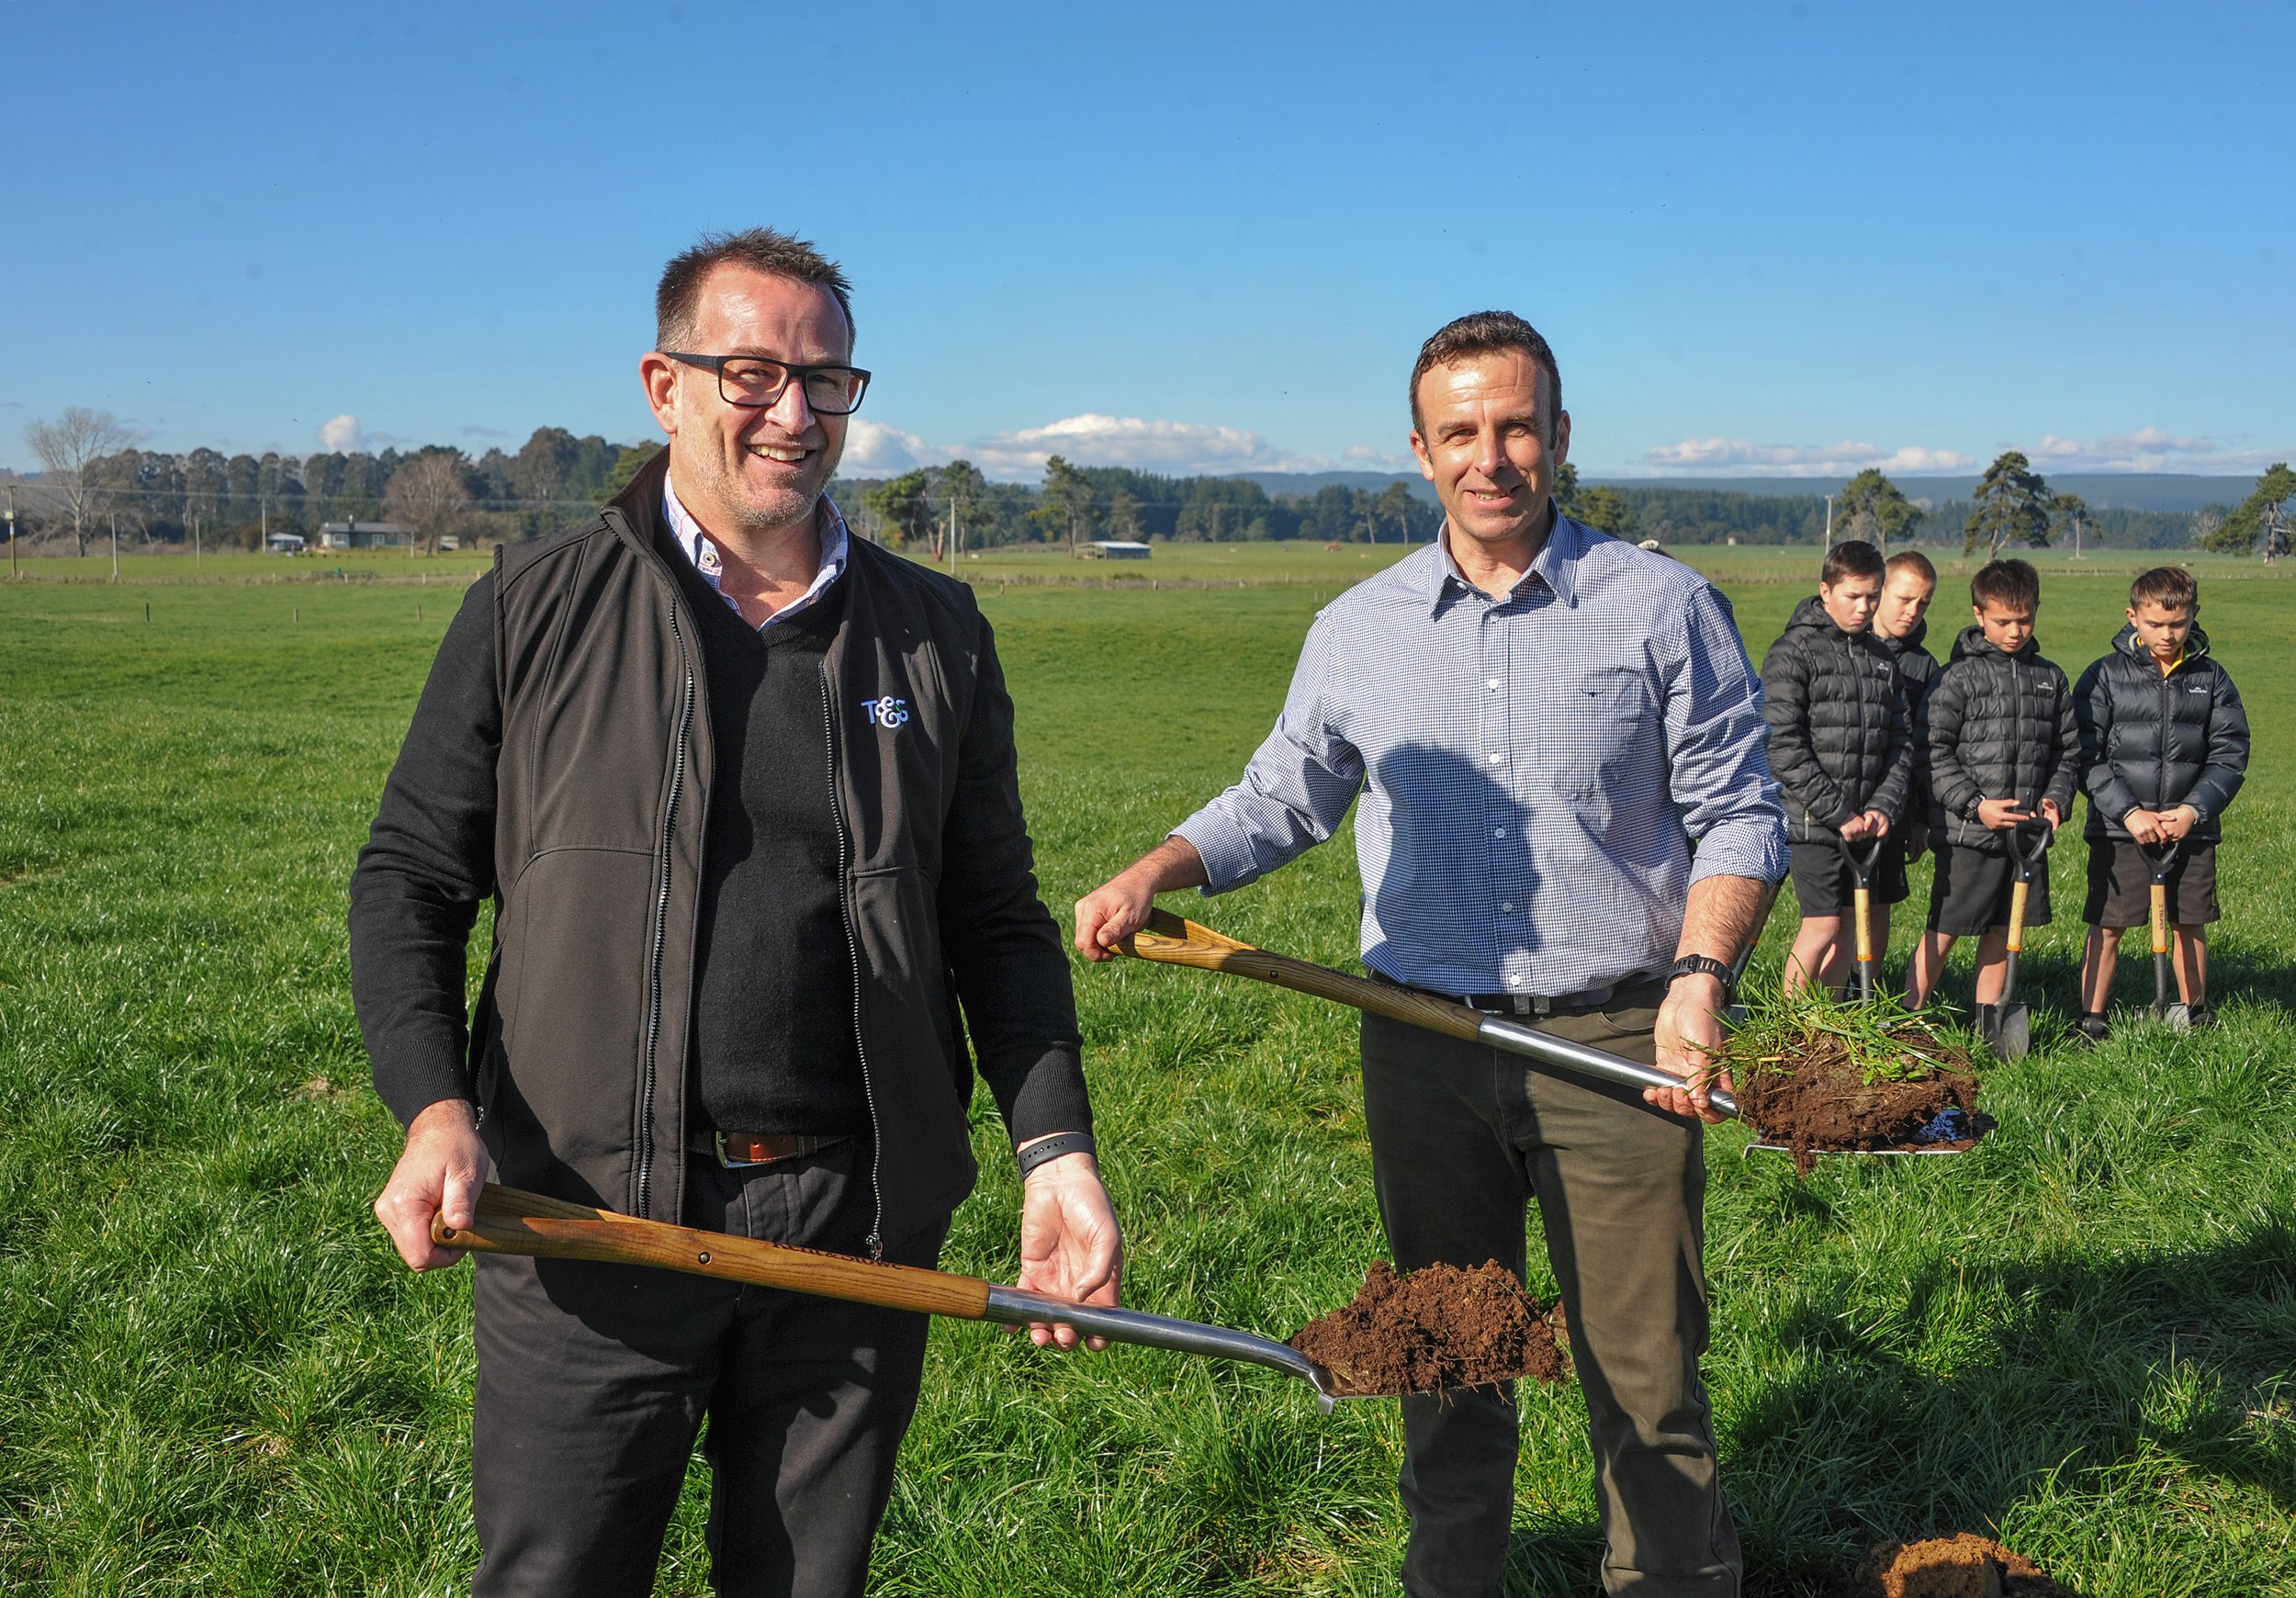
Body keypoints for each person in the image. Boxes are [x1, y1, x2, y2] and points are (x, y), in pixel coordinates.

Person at [351, 228, 1120, 1598]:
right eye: (751, 373)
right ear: (664, 385)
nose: (794, 414)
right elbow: (411, 875)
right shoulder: (534, 608)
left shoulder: (934, 632)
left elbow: (996, 918)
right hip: (585, 1218)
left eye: (827, 382)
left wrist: (1052, 1146)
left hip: (853, 1227)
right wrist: (432, 1103)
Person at [1075, 310, 1784, 1598]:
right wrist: (1155, 868)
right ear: (1420, 447)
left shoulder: (1663, 607)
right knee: (1446, 1368)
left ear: (1561, 437)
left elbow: (1740, 812)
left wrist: (1699, 983)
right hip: (1420, 1048)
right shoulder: (1360, 627)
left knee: (1648, 1383)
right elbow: (1279, 795)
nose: (1491, 456)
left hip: (1622, 1039)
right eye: (1461, 431)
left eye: (1517, 426)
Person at [2071, 566, 2249, 1040]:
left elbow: (2230, 754)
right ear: (2133, 617)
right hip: (2120, 828)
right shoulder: (2104, 676)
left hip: (2190, 828)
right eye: (2155, 624)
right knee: (2109, 925)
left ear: (2194, 617)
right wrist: (2128, 812)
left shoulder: (2211, 678)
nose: (2167, 634)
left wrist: (2193, 811)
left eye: (2178, 624)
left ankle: (2192, 1013)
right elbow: (2084, 754)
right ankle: (2091, 1018)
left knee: (2189, 922)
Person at [1905, 559, 2078, 1011]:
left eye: (2024, 620)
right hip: (1969, 834)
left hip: (2026, 835)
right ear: (1979, 615)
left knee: (2004, 930)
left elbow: (2067, 752)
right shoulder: (1956, 678)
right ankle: (1906, 1018)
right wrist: (1974, 804)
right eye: (2003, 621)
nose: (2015, 631)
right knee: (1945, 930)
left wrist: (2056, 798)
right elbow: (1931, 751)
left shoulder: (2050, 678)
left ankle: (1989, 1025)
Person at [1760, 539, 1913, 993]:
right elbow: (1784, 744)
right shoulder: (1794, 651)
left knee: (1850, 929)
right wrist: (1840, 815)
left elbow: (1901, 741)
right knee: (1822, 928)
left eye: (1873, 596)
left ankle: (1828, 1025)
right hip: (1813, 823)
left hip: (1867, 823)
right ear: (1826, 591)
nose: (1864, 607)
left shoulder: (1882, 660)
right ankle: (1791, 1028)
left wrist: (1882, 807)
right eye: (1853, 596)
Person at [1869, 548, 1941, 955]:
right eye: (1905, 598)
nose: (1913, 611)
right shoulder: (1842, 648)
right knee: (1832, 912)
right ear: (1880, 589)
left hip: (1894, 807)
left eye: (1924, 602)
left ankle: (1869, 994)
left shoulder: (1923, 666)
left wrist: (1918, 820)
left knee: (1880, 902)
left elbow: (1925, 749)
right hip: (1837, 803)